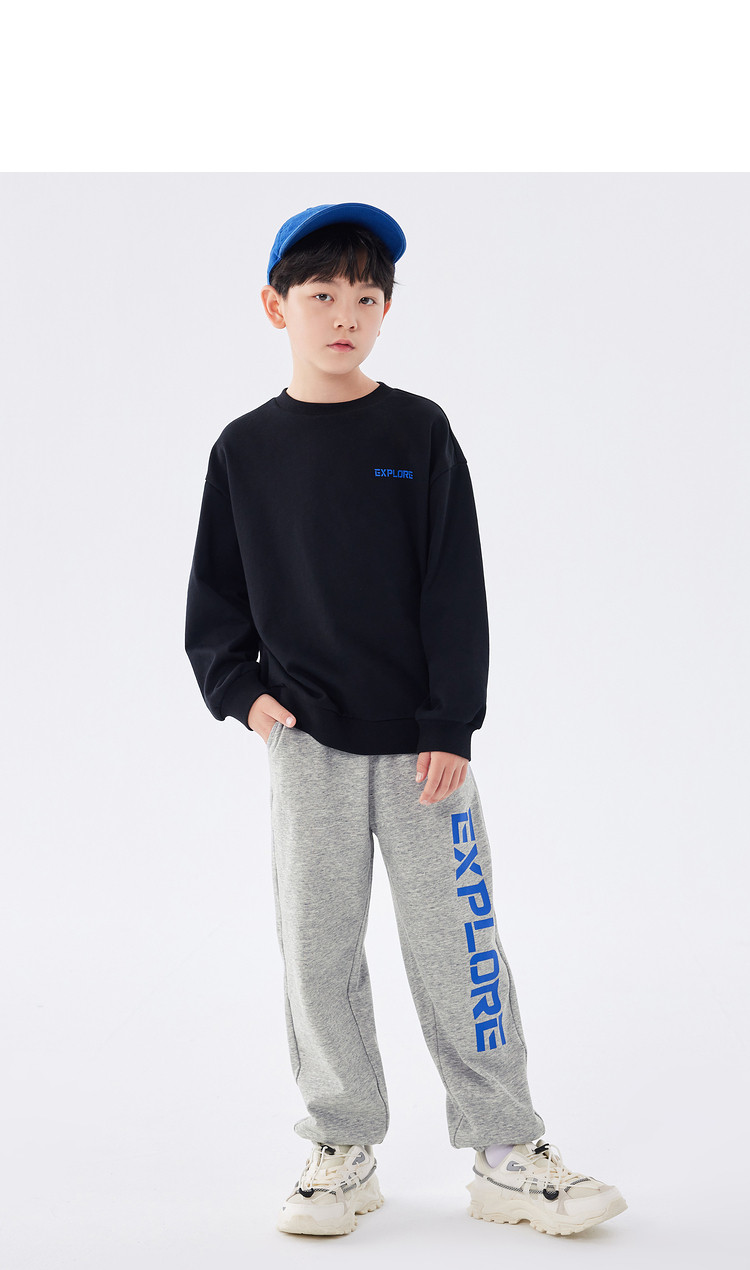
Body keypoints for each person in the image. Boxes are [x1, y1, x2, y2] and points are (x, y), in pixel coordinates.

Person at [184, 201, 627, 1239]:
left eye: (366, 296)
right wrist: (243, 694)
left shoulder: (417, 431)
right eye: (322, 294)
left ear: (387, 309)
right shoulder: (245, 449)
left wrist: (450, 724)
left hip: (426, 748)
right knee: (318, 948)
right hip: (307, 744)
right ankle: (340, 1147)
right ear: (275, 306)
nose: (345, 315)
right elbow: (215, 596)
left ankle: (506, 1150)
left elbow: (452, 584)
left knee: (459, 941)